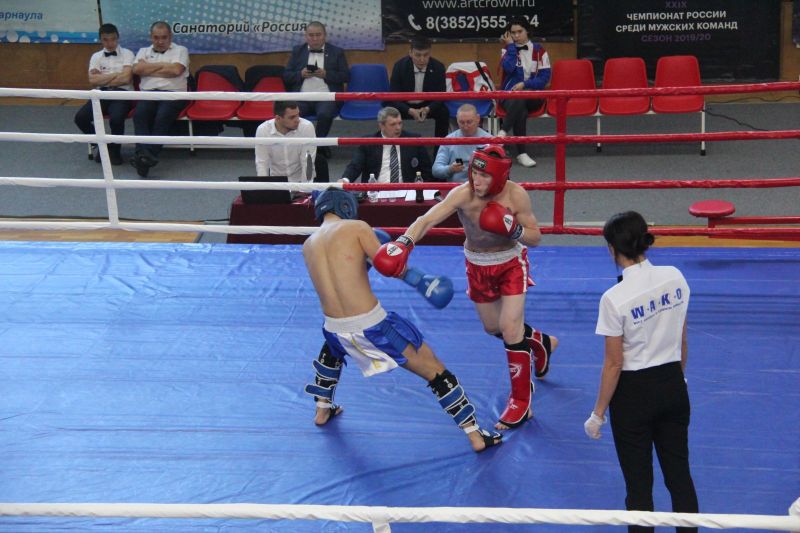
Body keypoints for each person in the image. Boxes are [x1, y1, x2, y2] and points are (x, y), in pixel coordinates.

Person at [302, 188, 502, 453]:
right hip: (373, 327)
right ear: (347, 207)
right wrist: (422, 281)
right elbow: (390, 265)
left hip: (334, 328)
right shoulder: (357, 227)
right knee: (436, 371)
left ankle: (322, 409)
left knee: (333, 348)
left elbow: (342, 281)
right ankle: (475, 435)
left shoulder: (309, 244)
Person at [373, 145, 558, 430]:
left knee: (510, 329)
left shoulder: (516, 195)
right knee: (493, 328)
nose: (476, 180)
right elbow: (427, 219)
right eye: (474, 173)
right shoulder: (463, 193)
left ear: (499, 177)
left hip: (510, 263)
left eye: (484, 176)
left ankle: (521, 401)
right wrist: (404, 243)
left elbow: (535, 238)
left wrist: (514, 229)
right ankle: (539, 342)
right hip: (477, 264)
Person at [584, 211, 698, 532]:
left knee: (638, 485)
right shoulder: (675, 277)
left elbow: (614, 363)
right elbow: (681, 338)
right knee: (680, 476)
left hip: (633, 395)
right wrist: (677, 378)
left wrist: (598, 414)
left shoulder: (614, 298)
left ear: (612, 249)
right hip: (673, 384)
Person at [130, 21, 190, 178]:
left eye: (164, 37)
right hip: (148, 93)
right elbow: (137, 69)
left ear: (170, 36)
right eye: (156, 37)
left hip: (174, 94)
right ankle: (145, 157)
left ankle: (144, 155)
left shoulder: (181, 50)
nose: (160, 41)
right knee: (139, 115)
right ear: (151, 37)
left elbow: (176, 70)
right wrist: (164, 66)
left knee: (162, 116)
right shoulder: (143, 51)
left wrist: (149, 68)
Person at [284, 21, 349, 156]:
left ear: (325, 35)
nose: (314, 38)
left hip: (326, 97)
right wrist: (300, 74)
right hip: (301, 97)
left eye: (318, 35)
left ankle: (318, 145)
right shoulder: (297, 51)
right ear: (306, 36)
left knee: (325, 114)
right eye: (311, 35)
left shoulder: (337, 52)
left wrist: (326, 74)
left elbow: (346, 76)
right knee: (292, 115)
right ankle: (301, 145)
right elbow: (286, 76)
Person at [73, 23, 134, 166]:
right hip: (101, 93)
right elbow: (93, 81)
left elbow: (126, 79)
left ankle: (115, 150)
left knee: (117, 118)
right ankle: (103, 144)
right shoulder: (96, 56)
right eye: (105, 40)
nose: (110, 43)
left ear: (118, 38)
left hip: (122, 93)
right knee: (80, 118)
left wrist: (103, 77)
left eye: (113, 39)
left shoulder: (128, 54)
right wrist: (116, 74)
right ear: (100, 40)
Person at [498, 17, 551, 168]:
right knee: (520, 106)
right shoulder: (507, 50)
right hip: (509, 96)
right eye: (513, 33)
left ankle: (502, 132)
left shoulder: (540, 50)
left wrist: (525, 84)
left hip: (534, 96)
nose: (516, 36)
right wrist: (511, 47)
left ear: (527, 31)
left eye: (520, 31)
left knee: (521, 97)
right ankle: (522, 154)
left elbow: (544, 78)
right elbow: (508, 69)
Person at [342, 107, 434, 183]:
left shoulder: (414, 140)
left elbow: (427, 170)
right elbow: (355, 166)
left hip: (407, 192)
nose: (398, 128)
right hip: (375, 193)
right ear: (381, 125)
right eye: (393, 124)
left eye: (400, 123)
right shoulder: (368, 142)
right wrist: (345, 180)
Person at [384, 37, 449, 140]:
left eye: (426, 55)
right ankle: (391, 145)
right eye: (418, 55)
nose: (422, 59)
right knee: (388, 111)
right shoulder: (399, 66)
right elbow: (394, 96)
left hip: (427, 105)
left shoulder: (438, 67)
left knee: (443, 113)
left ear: (430, 53)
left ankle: (440, 149)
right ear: (410, 53)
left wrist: (428, 109)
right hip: (405, 105)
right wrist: (409, 110)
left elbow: (441, 96)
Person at [254, 100, 317, 182]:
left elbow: (308, 164)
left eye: (298, 115)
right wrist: (263, 188)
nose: (297, 120)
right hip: (276, 183)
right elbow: (262, 163)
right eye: (292, 117)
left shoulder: (306, 127)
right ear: (278, 118)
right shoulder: (263, 130)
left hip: (301, 182)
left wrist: (304, 188)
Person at [432, 103, 492, 182]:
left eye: (469, 122)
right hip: (456, 187)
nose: (465, 126)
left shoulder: (489, 140)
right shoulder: (449, 140)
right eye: (461, 122)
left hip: (482, 186)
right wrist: (450, 169)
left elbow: (498, 168)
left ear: (478, 118)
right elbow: (436, 170)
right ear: (457, 119)